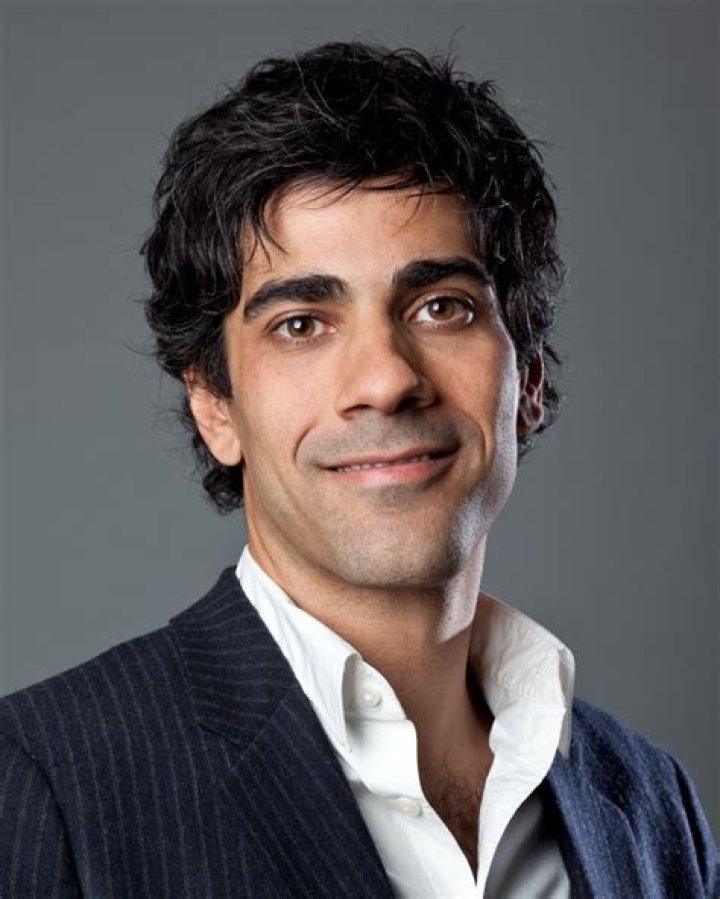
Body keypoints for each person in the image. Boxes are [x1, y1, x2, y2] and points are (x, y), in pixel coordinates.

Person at [0, 41, 716, 898]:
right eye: (301, 323)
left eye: (441, 307)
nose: (385, 379)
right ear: (214, 404)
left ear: (527, 376)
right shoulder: (46, 782)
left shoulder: (650, 805)